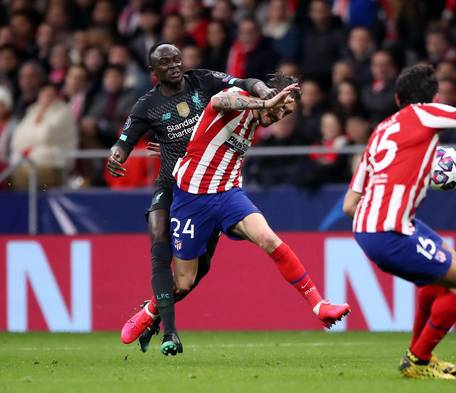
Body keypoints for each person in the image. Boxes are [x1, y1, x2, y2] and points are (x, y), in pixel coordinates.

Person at [342, 64, 456, 380]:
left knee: (449, 263)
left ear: (396, 98)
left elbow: (349, 205)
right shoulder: (425, 113)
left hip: (369, 226)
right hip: (388, 230)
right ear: (431, 97)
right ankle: (418, 360)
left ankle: (420, 355)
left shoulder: (380, 131)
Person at [107, 42, 277, 355]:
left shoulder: (202, 80)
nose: (173, 65)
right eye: (165, 62)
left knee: (193, 276)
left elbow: (241, 83)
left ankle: (151, 313)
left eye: (176, 59)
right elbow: (124, 142)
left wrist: (261, 88)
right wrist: (117, 155)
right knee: (159, 244)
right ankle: (171, 333)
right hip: (169, 186)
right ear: (153, 71)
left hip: (204, 189)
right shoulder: (147, 105)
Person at [163, 74, 350, 353]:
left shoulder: (257, 123)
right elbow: (218, 100)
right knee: (184, 281)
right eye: (282, 107)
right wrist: (263, 101)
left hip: (227, 194)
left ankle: (319, 305)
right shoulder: (240, 101)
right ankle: (151, 311)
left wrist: (267, 106)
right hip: (191, 196)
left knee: (269, 239)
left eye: (287, 112)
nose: (282, 115)